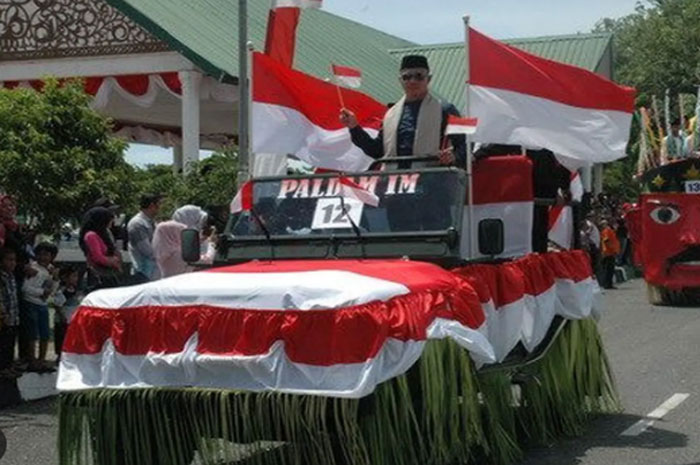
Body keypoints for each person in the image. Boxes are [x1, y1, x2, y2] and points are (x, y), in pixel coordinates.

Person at [340, 54, 466, 167]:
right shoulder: (391, 114)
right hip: (395, 183)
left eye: (419, 76)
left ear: (429, 79)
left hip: (430, 182)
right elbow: (378, 151)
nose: (412, 81)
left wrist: (453, 157)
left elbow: (464, 146)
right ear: (400, 80)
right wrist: (354, 127)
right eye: (407, 77)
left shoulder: (445, 110)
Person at [21, 242, 58, 371]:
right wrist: (42, 292)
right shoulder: (33, 268)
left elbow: (53, 289)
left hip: (43, 305)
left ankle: (42, 360)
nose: (43, 257)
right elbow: (25, 288)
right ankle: (32, 361)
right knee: (32, 334)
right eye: (40, 254)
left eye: (47, 255)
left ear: (52, 256)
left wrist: (55, 278)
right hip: (31, 303)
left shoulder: (50, 270)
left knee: (45, 334)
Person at [152, 205, 217, 278]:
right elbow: (207, 260)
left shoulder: (164, 251)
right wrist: (212, 243)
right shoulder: (179, 254)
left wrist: (203, 238)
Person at [79, 207, 122, 290]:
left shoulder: (103, 235)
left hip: (109, 273)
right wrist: (112, 261)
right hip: (98, 273)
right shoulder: (91, 235)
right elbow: (97, 257)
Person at [127, 193, 163, 283]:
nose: (160, 208)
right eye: (158, 205)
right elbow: (147, 250)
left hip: (153, 272)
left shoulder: (151, 222)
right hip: (143, 272)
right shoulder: (137, 224)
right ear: (152, 205)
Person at [53, 265, 83, 361]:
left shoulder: (76, 291)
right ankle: (60, 356)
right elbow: (58, 305)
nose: (76, 279)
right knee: (61, 339)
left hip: (72, 320)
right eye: (73, 276)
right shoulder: (62, 291)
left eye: (76, 276)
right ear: (65, 278)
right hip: (63, 320)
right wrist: (62, 316)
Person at [0, 247, 20, 378]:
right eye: (9, 260)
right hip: (4, 317)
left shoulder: (12, 276)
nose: (12, 263)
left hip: (13, 316)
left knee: (10, 343)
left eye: (14, 260)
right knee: (3, 343)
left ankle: (9, 365)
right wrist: (3, 314)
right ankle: (3, 368)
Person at [600, 219, 621, 290]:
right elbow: (606, 240)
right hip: (609, 253)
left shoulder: (607, 230)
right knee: (609, 269)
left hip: (608, 252)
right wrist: (613, 249)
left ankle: (608, 284)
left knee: (609, 269)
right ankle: (608, 284)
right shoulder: (607, 230)